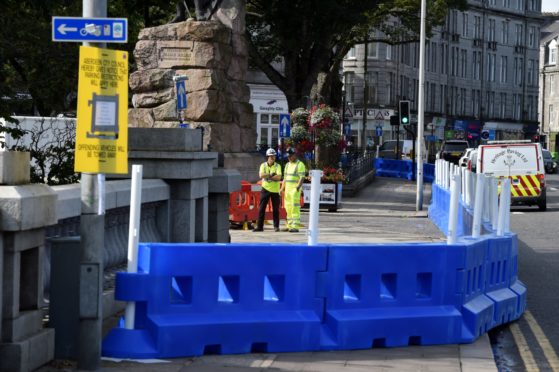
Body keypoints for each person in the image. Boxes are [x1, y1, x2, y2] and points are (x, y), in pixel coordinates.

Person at [253, 148, 283, 232]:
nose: (273, 158)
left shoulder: (278, 166)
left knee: (276, 209)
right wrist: (271, 175)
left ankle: (276, 227)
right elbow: (261, 175)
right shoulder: (263, 165)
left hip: (275, 190)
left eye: (274, 156)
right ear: (267, 157)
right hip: (265, 189)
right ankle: (259, 227)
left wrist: (268, 176)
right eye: (271, 156)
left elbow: (279, 177)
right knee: (261, 208)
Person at [280, 148, 306, 232]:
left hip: (294, 190)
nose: (289, 158)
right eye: (288, 156)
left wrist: (297, 188)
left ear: (295, 155)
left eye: (290, 156)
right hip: (287, 190)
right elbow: (285, 178)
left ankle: (295, 226)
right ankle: (289, 225)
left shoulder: (300, 164)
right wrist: (282, 189)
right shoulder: (287, 165)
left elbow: (302, 177)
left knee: (295, 208)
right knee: (288, 207)